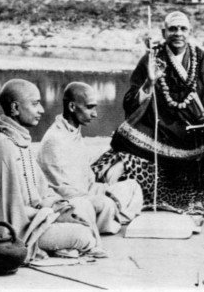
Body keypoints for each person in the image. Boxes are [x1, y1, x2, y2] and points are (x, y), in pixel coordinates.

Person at [92, 11, 204, 211]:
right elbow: (130, 101)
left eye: (183, 29)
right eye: (173, 29)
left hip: (198, 125)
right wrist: (150, 82)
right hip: (164, 127)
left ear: (190, 32)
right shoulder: (150, 59)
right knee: (126, 135)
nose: (178, 33)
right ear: (163, 31)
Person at [0, 79, 104, 262]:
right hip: (18, 232)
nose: (41, 110)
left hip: (36, 219)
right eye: (35, 104)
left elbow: (41, 192)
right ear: (15, 108)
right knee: (83, 236)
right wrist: (47, 215)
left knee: (80, 209)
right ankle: (59, 247)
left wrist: (60, 207)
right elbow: (7, 216)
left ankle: (63, 246)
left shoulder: (20, 140)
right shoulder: (2, 145)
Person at [37, 82, 143, 235]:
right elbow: (62, 191)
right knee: (105, 203)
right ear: (72, 107)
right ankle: (108, 220)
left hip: (88, 192)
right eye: (90, 107)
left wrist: (103, 189)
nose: (95, 114)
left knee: (132, 186)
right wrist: (98, 196)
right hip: (71, 202)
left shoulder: (73, 131)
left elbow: (86, 176)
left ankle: (109, 217)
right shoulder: (55, 140)